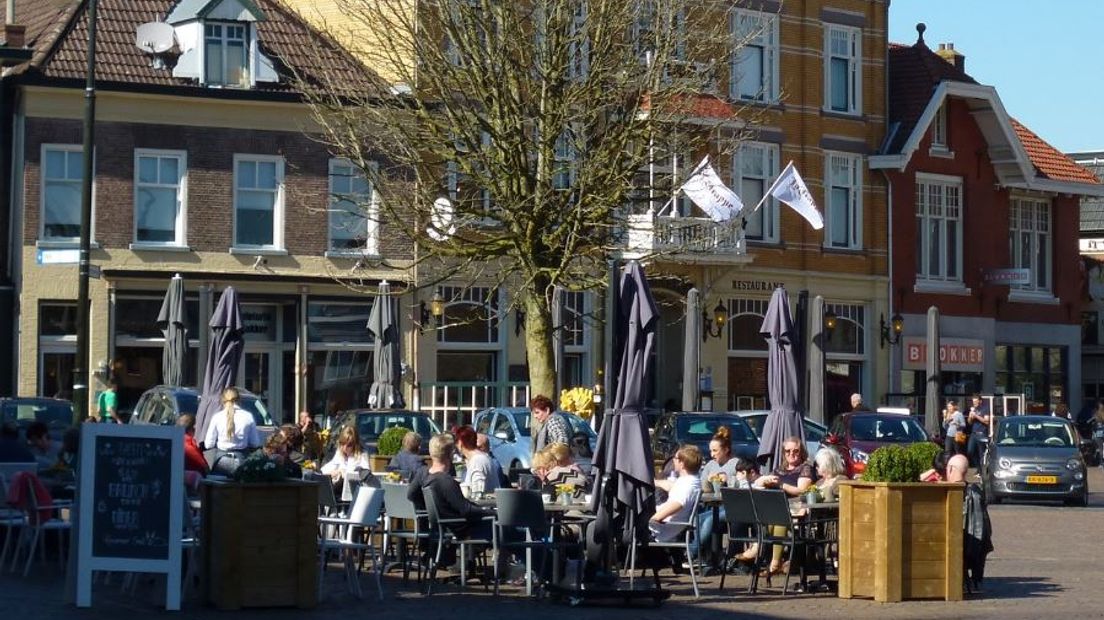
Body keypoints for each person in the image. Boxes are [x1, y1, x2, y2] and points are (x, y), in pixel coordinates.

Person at [408, 433, 493, 540]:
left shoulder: (423, 474)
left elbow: (411, 495)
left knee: (506, 530)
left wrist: (429, 509)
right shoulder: (446, 481)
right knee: (507, 528)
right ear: (451, 454)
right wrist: (493, 512)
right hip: (460, 530)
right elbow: (466, 510)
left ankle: (502, 557)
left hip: (440, 528)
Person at [693, 425, 738, 562]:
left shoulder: (735, 463)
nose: (712, 454)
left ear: (726, 450)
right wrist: (707, 479)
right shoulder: (711, 465)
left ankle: (691, 552)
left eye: (715, 451)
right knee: (699, 519)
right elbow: (705, 490)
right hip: (716, 505)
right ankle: (706, 557)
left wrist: (728, 479)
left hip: (734, 506)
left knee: (709, 520)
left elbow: (741, 486)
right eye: (711, 451)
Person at [204, 387, 263, 476]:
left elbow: (208, 444)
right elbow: (255, 443)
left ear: (223, 400)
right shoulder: (248, 416)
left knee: (218, 488)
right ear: (239, 399)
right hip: (241, 460)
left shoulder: (217, 417)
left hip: (221, 459)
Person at [649, 444, 702, 542]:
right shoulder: (692, 480)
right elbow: (672, 486)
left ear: (682, 464)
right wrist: (654, 482)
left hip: (661, 530)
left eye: (675, 458)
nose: (673, 460)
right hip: (666, 525)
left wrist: (653, 519)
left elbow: (677, 504)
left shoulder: (686, 486)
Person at [321, 425, 371, 497]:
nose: (345, 447)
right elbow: (329, 467)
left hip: (354, 493)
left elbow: (365, 475)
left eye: (349, 445)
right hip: (338, 491)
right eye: (342, 443)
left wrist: (342, 472)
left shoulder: (362, 454)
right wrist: (330, 472)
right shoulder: (339, 452)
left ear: (355, 444)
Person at [455, 425, 498, 496]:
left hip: (483, 506)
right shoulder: (484, 457)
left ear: (460, 443)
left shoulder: (477, 461)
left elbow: (477, 493)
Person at [965, 394, 991, 468]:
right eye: (973, 402)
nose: (974, 403)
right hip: (973, 433)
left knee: (981, 454)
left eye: (976, 402)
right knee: (970, 451)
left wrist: (976, 416)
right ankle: (979, 468)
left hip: (981, 433)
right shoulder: (973, 409)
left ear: (980, 401)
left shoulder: (985, 409)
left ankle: (982, 470)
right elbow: (969, 422)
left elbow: (986, 421)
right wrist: (970, 417)